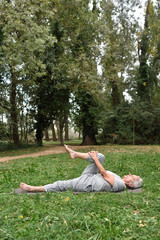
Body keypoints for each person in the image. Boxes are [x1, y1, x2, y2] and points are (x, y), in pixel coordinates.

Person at [20, 145, 143, 193]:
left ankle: (34, 189)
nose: (128, 174)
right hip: (91, 176)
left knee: (61, 185)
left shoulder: (120, 184)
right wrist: (96, 158)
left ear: (130, 184)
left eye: (131, 176)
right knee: (101, 156)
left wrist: (94, 159)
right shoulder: (119, 178)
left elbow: (104, 174)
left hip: (86, 183)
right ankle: (75, 154)